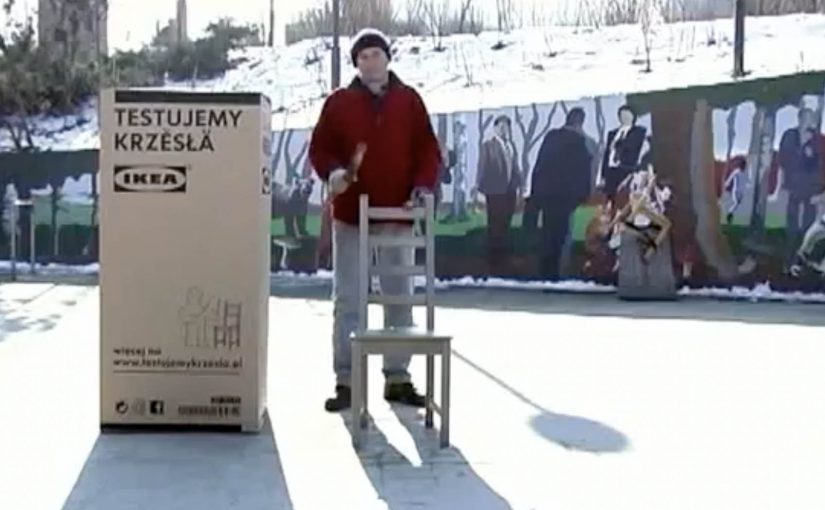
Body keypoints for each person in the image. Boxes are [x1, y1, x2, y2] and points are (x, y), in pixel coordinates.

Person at [308, 28, 441, 412]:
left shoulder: (409, 101)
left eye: (375, 54)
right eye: (362, 56)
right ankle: (347, 380)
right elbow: (321, 147)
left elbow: (427, 149)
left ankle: (397, 377)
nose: (370, 62)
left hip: (397, 213)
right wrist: (333, 172)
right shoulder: (339, 103)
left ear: (387, 58)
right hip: (351, 214)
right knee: (348, 298)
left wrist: (422, 186)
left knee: (398, 297)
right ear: (356, 64)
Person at [528, 108, 593, 280]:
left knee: (548, 234)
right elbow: (584, 172)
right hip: (566, 198)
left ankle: (545, 272)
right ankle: (557, 273)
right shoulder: (580, 142)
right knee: (562, 236)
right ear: (580, 122)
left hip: (547, 196)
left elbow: (539, 166)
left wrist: (536, 194)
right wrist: (583, 196)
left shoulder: (551, 138)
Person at [475, 115, 521, 272]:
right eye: (501, 127)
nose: (504, 130)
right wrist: (478, 189)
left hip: (510, 191)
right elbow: (481, 167)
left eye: (507, 127)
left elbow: (515, 167)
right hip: (494, 192)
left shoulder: (511, 146)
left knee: (505, 225)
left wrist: (520, 185)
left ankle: (504, 257)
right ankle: (493, 260)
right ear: (495, 128)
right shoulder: (488, 146)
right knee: (495, 225)